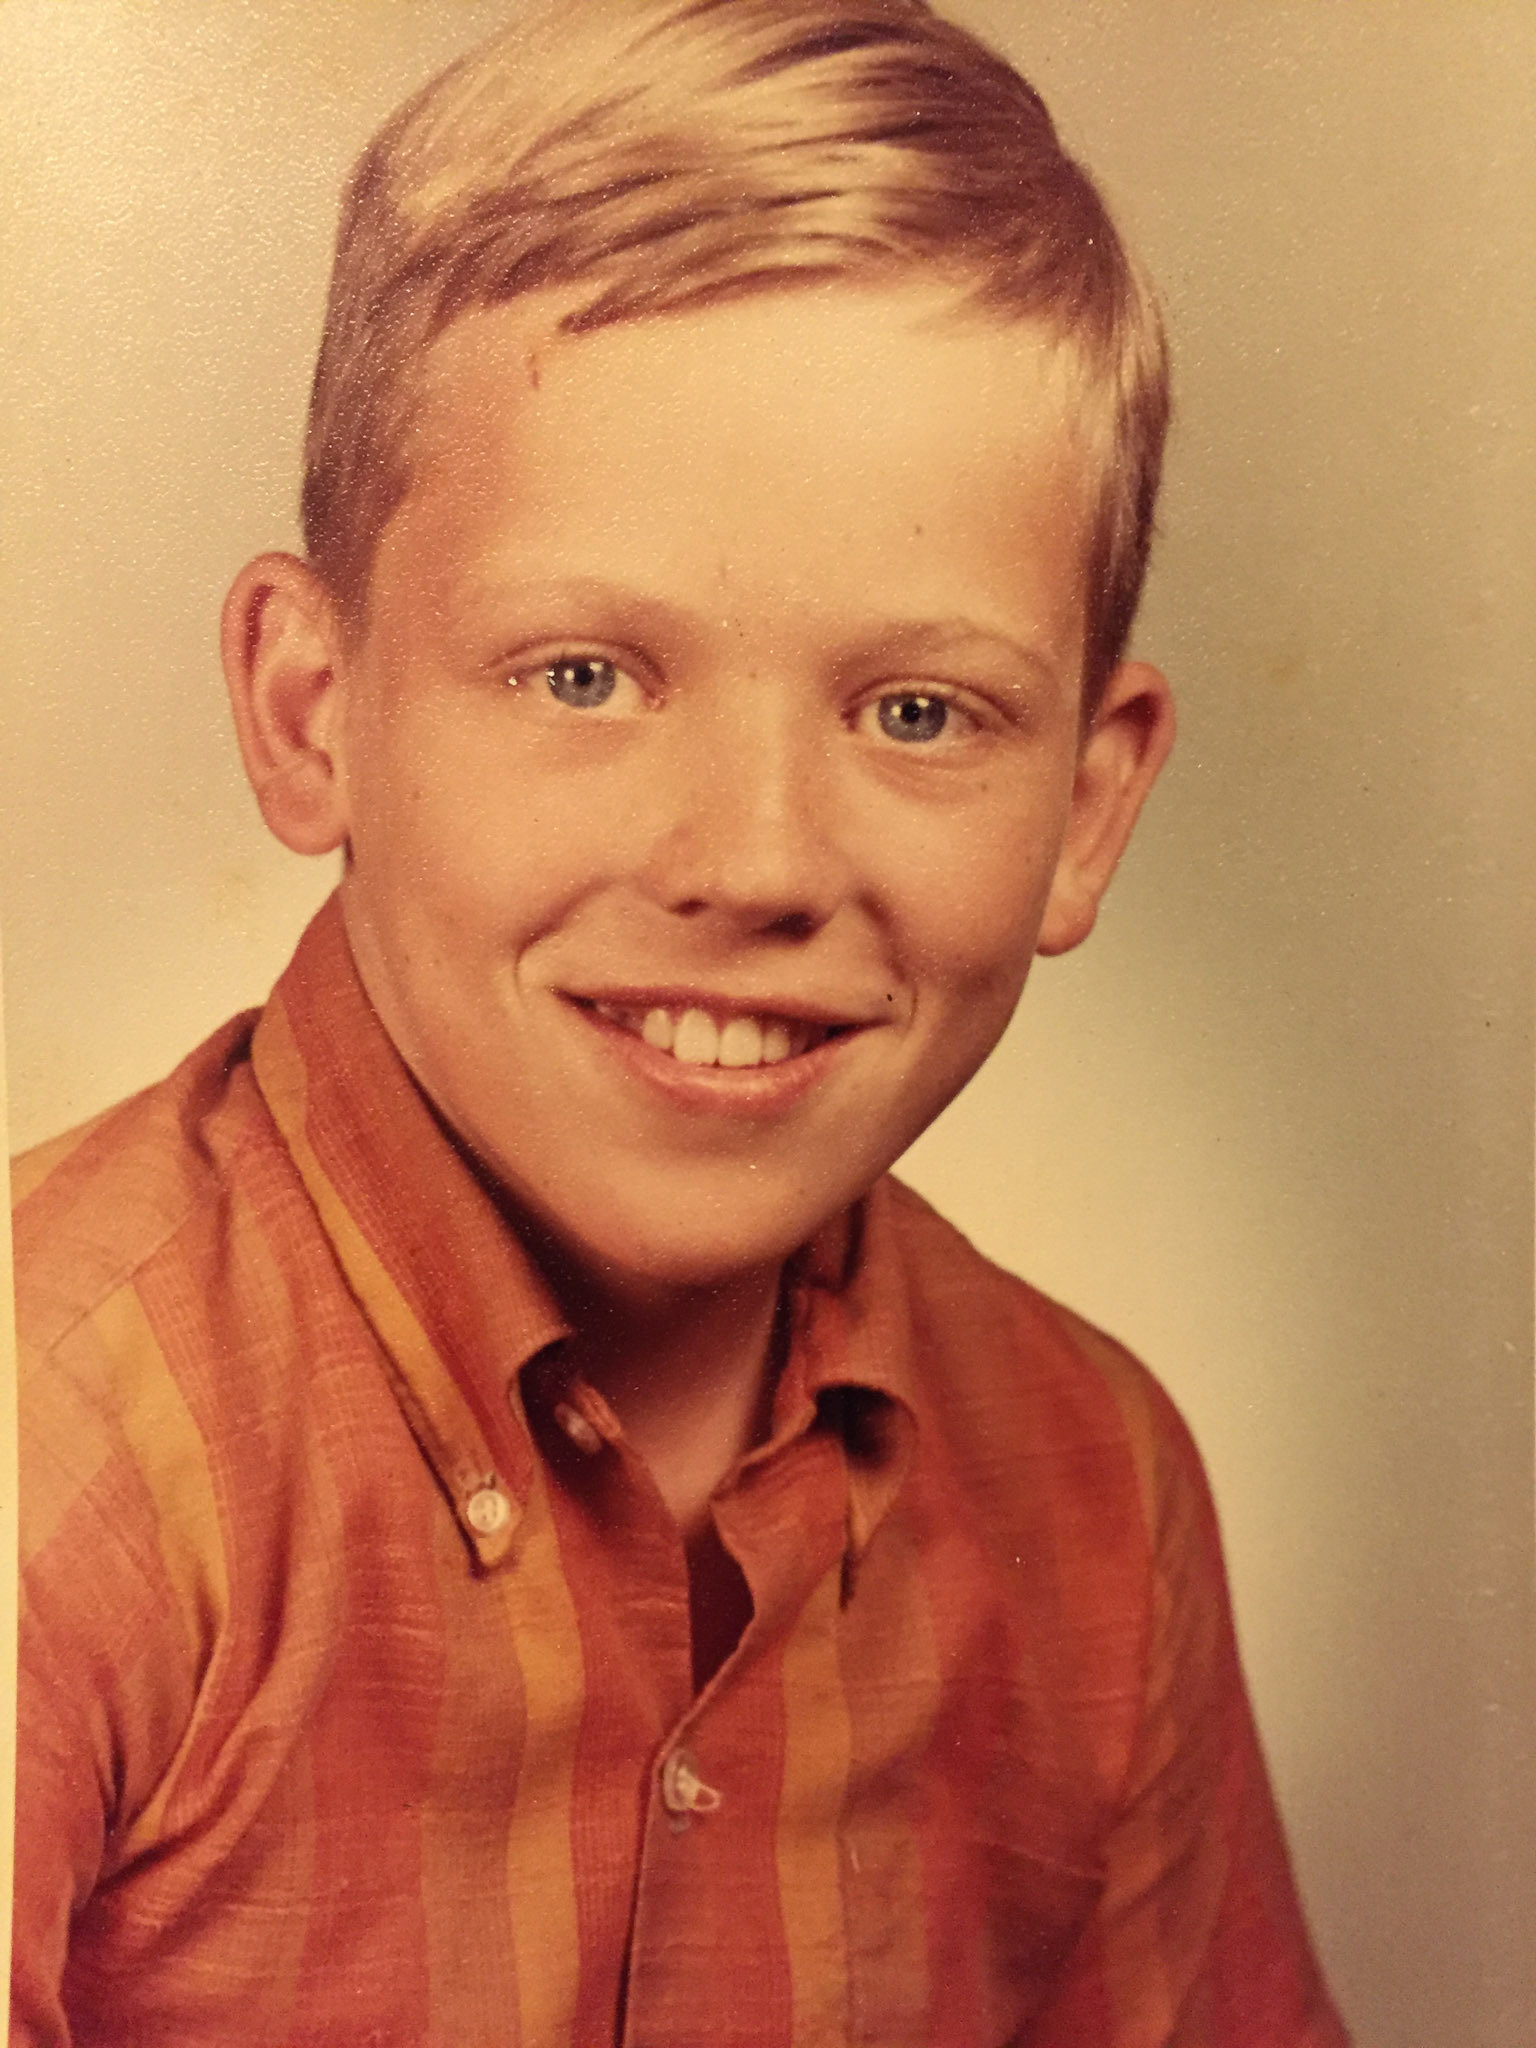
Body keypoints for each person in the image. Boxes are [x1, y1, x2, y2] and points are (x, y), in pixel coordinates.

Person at [11, 2, 1350, 2042]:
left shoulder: (1101, 1492)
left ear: (1088, 809)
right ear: (310, 710)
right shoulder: (53, 1459)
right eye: (583, 675)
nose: (754, 859)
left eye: (920, 711)